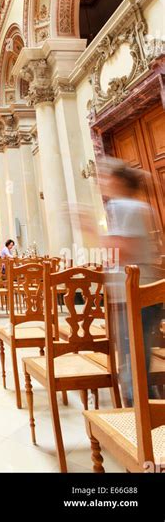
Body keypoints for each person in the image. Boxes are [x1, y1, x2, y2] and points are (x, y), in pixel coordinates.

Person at [98, 158, 162, 404]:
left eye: (106, 177)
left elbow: (123, 249)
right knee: (134, 363)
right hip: (133, 293)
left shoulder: (123, 206)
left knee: (134, 366)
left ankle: (144, 424)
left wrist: (91, 230)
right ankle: (145, 417)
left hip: (136, 294)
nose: (102, 182)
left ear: (118, 181)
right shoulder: (129, 206)